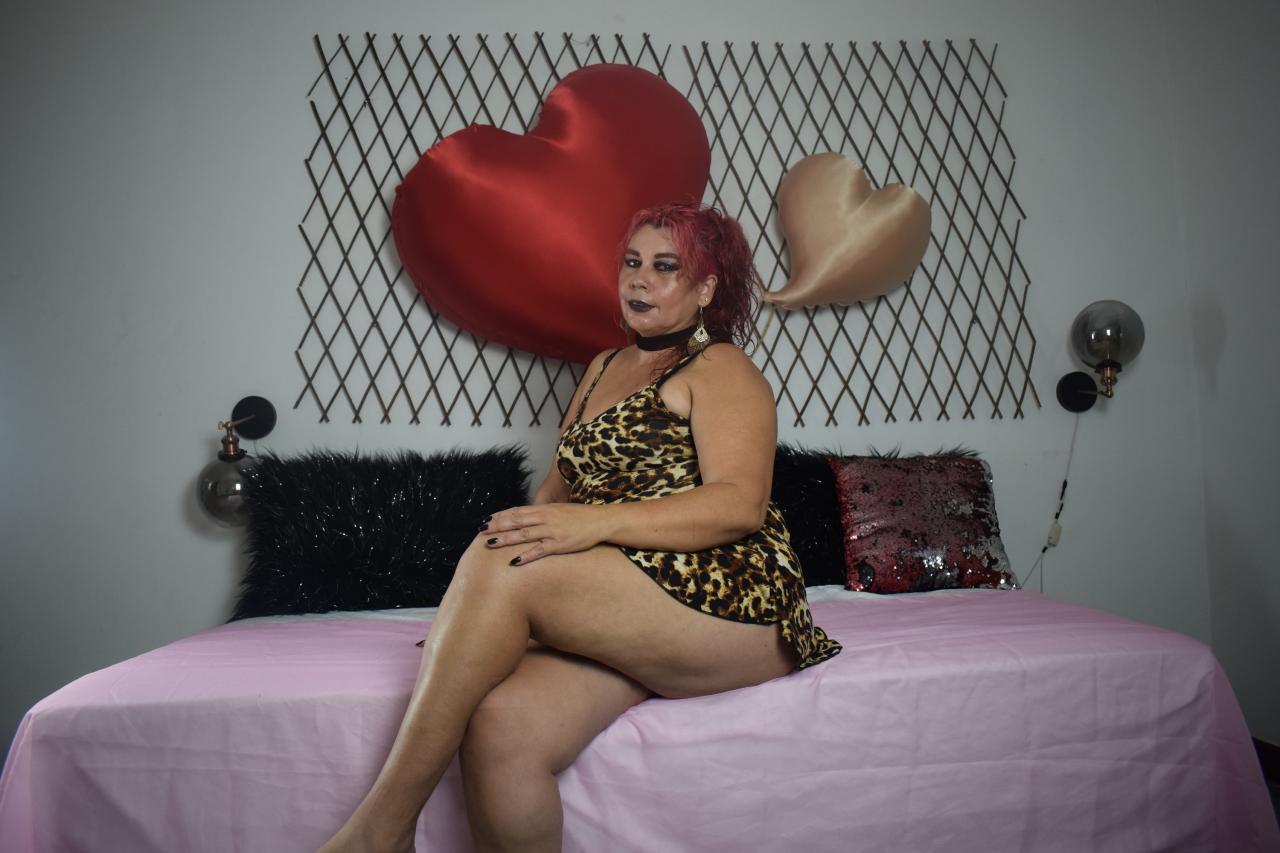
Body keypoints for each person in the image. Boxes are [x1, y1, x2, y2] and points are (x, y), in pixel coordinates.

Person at [319, 202, 841, 853]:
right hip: (630, 591)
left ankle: (380, 831)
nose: (640, 279)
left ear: (707, 289)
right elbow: (554, 493)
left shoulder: (721, 368)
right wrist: (473, 616)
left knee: (506, 564)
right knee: (501, 724)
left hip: (732, 598)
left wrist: (586, 527)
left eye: (666, 267)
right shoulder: (601, 368)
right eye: (632, 263)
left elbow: (738, 506)